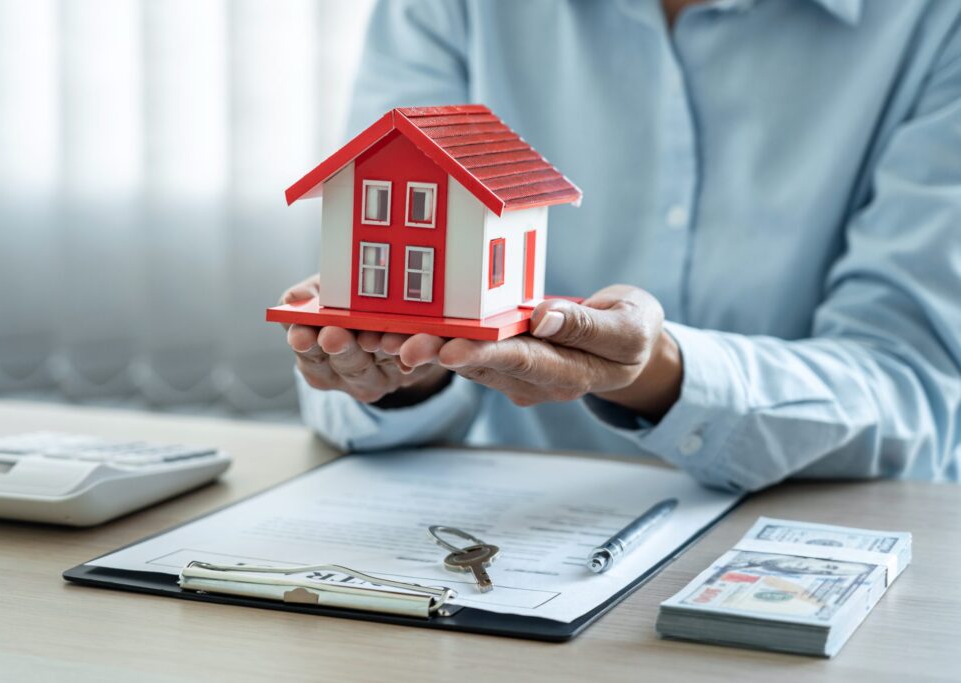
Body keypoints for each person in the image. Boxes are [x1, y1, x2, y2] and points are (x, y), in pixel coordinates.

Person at [282, 0, 961, 492]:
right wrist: (406, 369)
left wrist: (658, 371)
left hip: (819, 536)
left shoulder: (936, 24)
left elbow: (916, 394)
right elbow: (375, 213)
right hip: (496, 526)